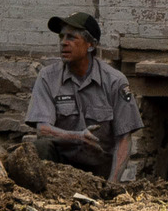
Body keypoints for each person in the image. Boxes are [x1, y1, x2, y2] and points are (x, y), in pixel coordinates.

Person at [25, 12, 139, 184]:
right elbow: (42, 129)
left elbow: (124, 138)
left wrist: (112, 183)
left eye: (71, 37)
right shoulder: (48, 77)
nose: (64, 42)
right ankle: (44, 194)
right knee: (40, 147)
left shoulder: (115, 81)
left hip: (97, 166)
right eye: (62, 36)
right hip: (60, 166)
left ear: (91, 45)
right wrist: (77, 136)